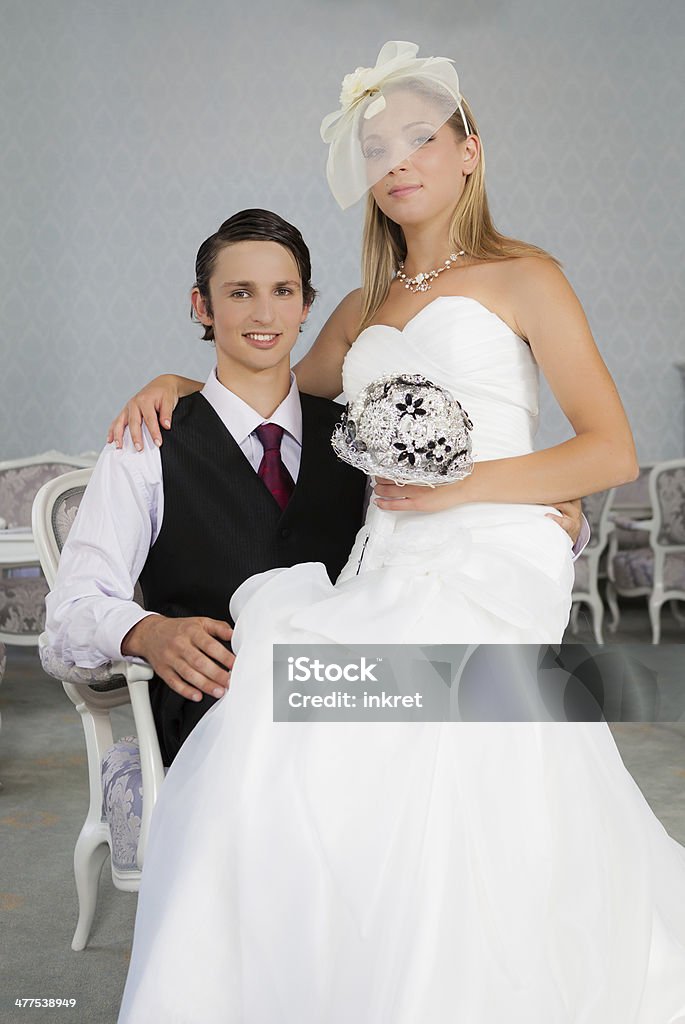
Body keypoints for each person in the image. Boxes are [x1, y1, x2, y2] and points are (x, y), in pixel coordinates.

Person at [118, 43, 685, 1024]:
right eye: (377, 143)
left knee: (423, 734)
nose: (397, 158)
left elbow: (610, 449)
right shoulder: (359, 310)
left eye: (421, 136)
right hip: (387, 560)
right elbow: (272, 381)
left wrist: (482, 488)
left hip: (492, 555)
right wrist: (184, 381)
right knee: (285, 694)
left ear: (469, 150)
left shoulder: (524, 276)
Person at [44, 209, 367, 766]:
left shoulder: (358, 439)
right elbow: (68, 615)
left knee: (498, 696)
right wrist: (146, 632)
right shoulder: (146, 443)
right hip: (217, 713)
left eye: (283, 291)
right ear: (202, 306)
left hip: (339, 697)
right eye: (240, 293)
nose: (264, 313)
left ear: (306, 306)